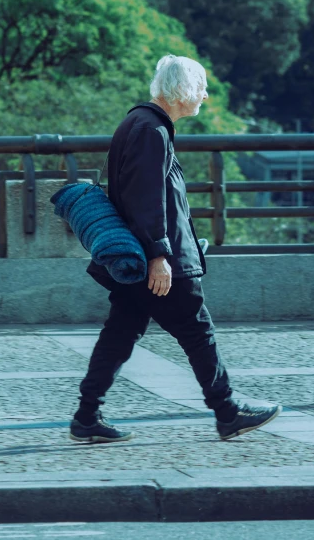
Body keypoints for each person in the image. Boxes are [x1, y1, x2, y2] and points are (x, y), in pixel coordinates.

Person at [69, 55, 282, 443]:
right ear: (182, 90)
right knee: (198, 331)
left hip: (142, 257)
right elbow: (145, 199)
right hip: (158, 262)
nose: (204, 94)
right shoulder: (152, 130)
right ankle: (227, 411)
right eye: (200, 86)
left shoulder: (141, 123)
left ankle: (86, 417)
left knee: (120, 333)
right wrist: (159, 256)